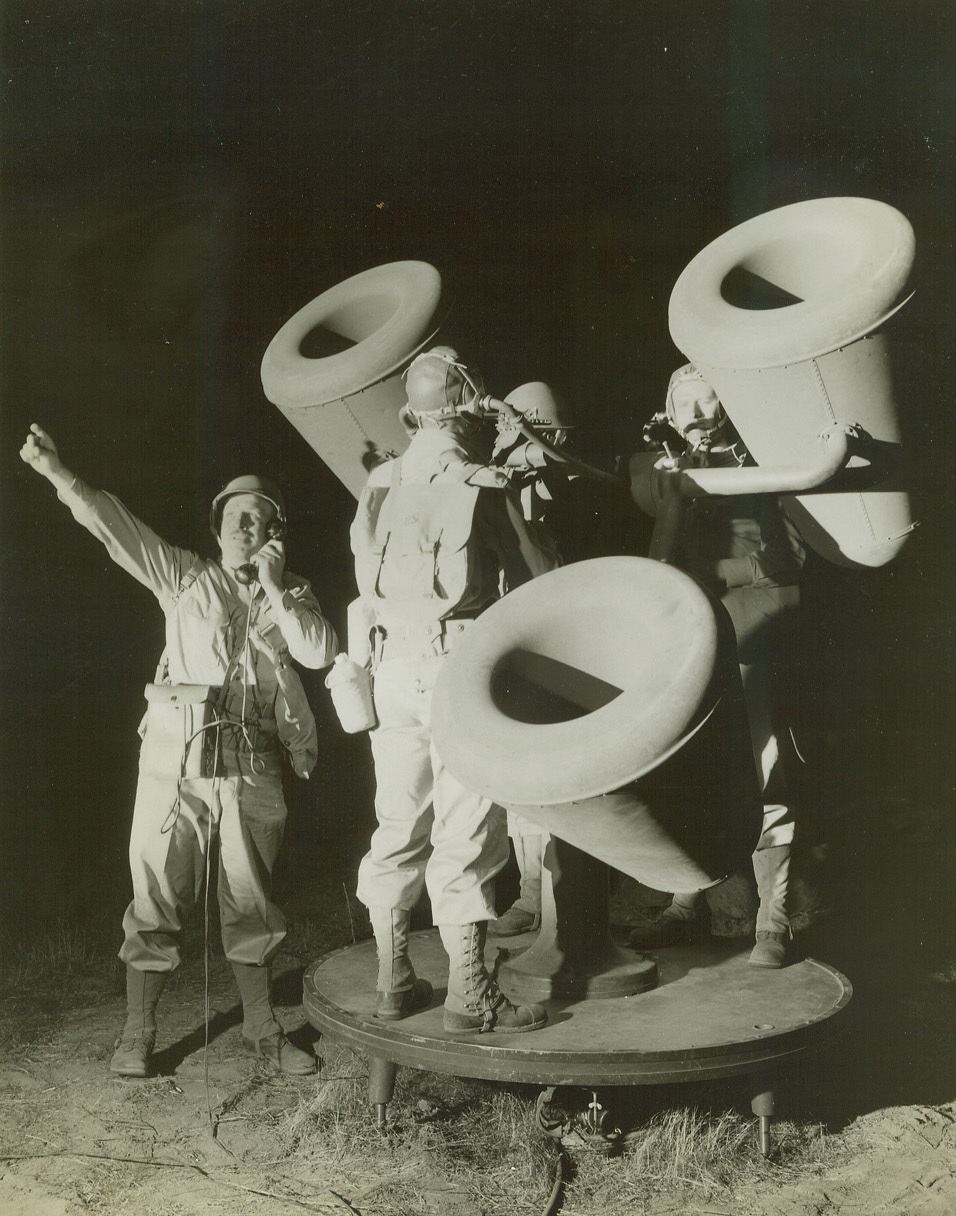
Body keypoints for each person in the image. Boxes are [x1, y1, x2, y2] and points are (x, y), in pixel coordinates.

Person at [20, 424, 338, 1074]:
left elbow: (321, 652)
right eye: (234, 519)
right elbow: (117, 530)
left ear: (276, 530)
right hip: (179, 761)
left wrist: (276, 587)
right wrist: (59, 474)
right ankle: (138, 1032)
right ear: (217, 530)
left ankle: (261, 1028)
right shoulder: (187, 580)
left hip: (254, 766)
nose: (245, 528)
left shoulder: (292, 595)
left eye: (259, 519)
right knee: (158, 891)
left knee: (250, 899)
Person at [349, 347, 559, 1032]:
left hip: (391, 670)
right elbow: (540, 580)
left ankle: (392, 981)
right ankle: (469, 994)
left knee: (397, 822)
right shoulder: (484, 483)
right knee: (466, 829)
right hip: (453, 667)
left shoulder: (379, 482)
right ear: (470, 408)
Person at [628, 365, 808, 968]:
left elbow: (790, 557)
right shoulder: (662, 467)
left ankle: (772, 921)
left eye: (710, 400)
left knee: (763, 771)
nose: (697, 414)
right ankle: (685, 906)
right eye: (686, 401)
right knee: (687, 771)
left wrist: (717, 575)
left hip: (752, 633)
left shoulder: (761, 466)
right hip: (688, 639)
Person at [486, 382, 574, 937]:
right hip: (509, 641)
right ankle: (529, 892)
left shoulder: (565, 494)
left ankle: (556, 896)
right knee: (516, 780)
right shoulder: (497, 489)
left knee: (553, 777)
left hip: (560, 647)